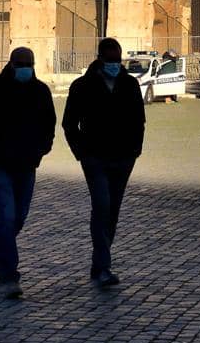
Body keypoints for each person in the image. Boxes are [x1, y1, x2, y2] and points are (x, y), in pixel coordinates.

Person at [0, 46, 55, 298]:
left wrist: (41, 150)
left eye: (29, 64)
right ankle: (9, 274)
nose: (26, 69)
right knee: (7, 214)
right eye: (22, 64)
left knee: (19, 217)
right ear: (12, 65)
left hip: (27, 164)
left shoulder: (40, 92)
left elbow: (49, 125)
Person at [62, 36, 146, 289]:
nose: (114, 65)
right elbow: (69, 123)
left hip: (123, 157)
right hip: (94, 157)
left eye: (117, 61)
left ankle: (99, 264)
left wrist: (135, 151)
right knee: (102, 206)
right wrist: (82, 153)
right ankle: (103, 267)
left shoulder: (129, 84)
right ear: (99, 59)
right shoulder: (82, 86)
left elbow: (139, 120)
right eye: (110, 60)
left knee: (112, 211)